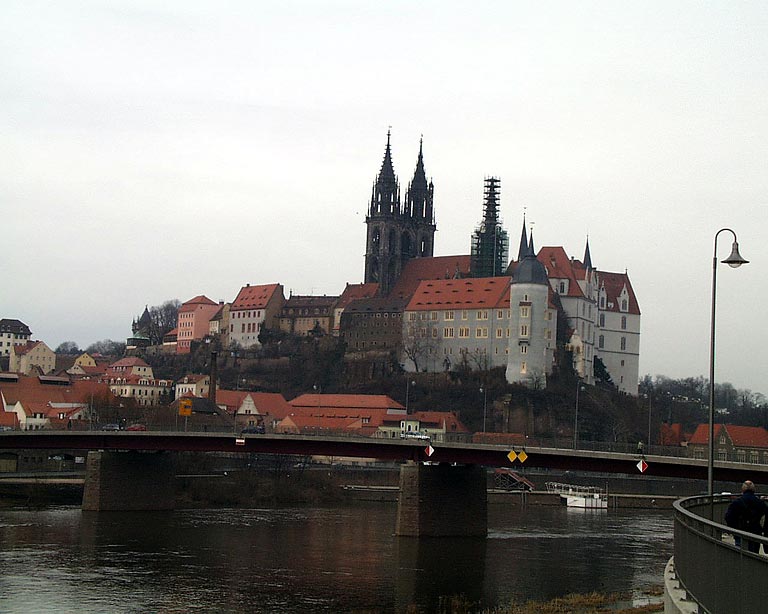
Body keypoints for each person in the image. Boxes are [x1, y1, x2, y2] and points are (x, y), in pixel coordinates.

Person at [724, 480, 768, 553]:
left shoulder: (737, 502)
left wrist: (734, 528)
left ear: (742, 490)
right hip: (755, 532)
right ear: (754, 490)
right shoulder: (760, 503)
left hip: (740, 531)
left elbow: (728, 517)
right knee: (754, 553)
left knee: (741, 553)